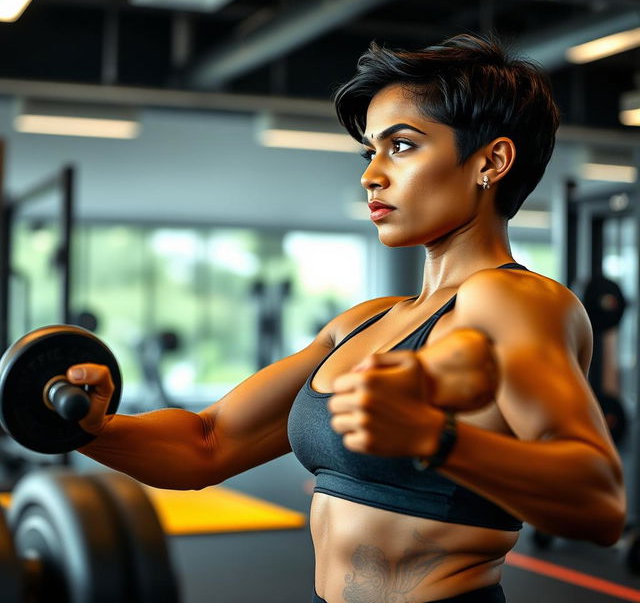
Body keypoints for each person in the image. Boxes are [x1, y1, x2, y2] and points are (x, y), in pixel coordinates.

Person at [70, 34, 625, 603]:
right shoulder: (364, 322)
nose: (371, 175)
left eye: (402, 146)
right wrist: (85, 426)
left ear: (492, 161)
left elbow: (599, 504)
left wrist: (435, 438)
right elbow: (206, 445)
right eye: (370, 152)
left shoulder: (510, 301)